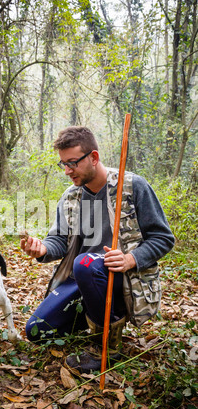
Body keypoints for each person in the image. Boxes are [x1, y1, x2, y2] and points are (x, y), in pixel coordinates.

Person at [20, 126, 175, 373]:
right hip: (81, 278)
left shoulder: (132, 186)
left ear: (94, 157)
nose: (67, 171)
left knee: (85, 264)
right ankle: (93, 318)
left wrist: (131, 259)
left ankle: (107, 346)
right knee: (37, 330)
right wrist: (42, 249)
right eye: (63, 164)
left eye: (72, 163)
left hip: (122, 279)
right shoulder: (71, 197)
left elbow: (163, 237)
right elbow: (59, 240)